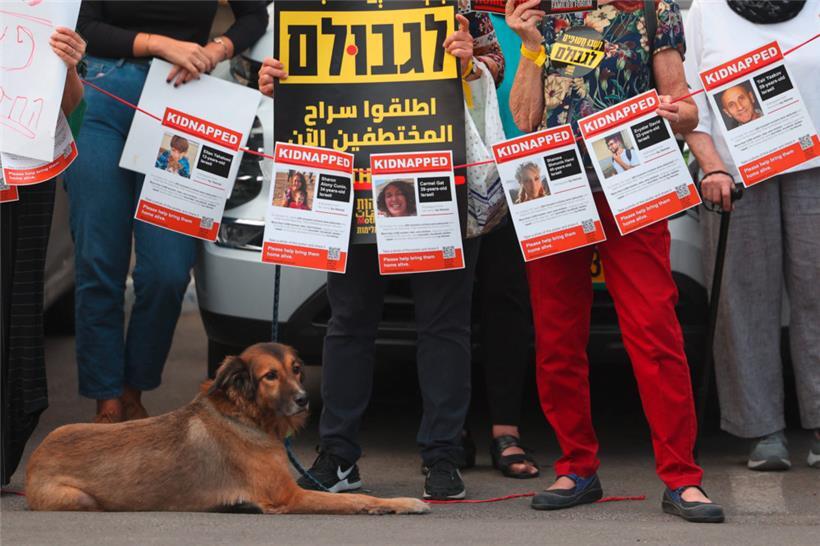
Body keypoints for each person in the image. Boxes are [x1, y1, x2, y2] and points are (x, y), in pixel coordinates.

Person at [260, 11, 504, 500]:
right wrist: (273, 81)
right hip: (348, 177)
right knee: (348, 321)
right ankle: (338, 456)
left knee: (443, 323)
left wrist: (471, 64)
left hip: (434, 171)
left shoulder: (453, 1)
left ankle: (441, 455)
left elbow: (494, 63)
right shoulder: (319, 5)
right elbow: (287, 70)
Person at [506, 0, 725, 522]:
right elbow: (524, 118)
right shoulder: (544, 12)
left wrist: (678, 114)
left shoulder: (653, 10)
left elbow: (685, 105)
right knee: (557, 334)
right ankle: (576, 466)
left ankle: (682, 478)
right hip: (554, 185)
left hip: (633, 183)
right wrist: (531, 49)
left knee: (655, 330)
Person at [65, 0, 268, 423]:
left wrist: (214, 51)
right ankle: (108, 404)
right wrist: (163, 44)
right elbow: (82, 24)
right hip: (101, 92)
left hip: (183, 96)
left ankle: (133, 387)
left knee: (168, 272)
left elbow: (255, 15)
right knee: (98, 261)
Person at [683, 0, 820, 471]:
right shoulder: (705, 10)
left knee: (818, 294)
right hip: (735, 176)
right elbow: (692, 102)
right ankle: (762, 428)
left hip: (815, 168)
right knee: (742, 300)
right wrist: (712, 165)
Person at [1, 26, 86, 484]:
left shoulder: (41, 19)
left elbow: (76, 111)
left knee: (16, 310)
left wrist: (69, 66)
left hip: (25, 176)